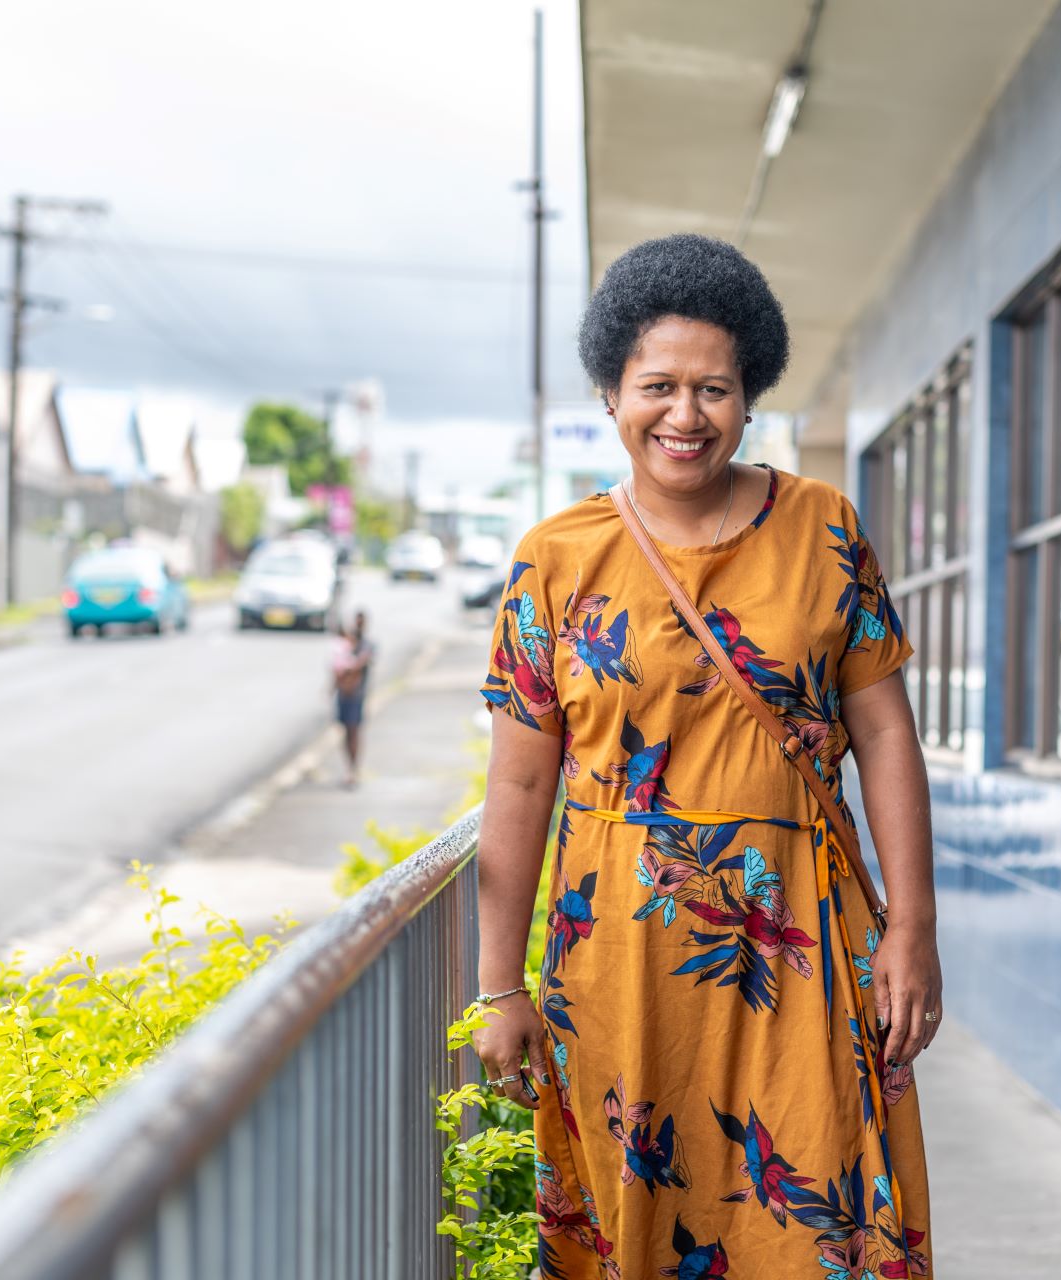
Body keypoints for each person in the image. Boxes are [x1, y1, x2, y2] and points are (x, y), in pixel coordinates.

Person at [475, 233, 940, 1277]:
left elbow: (885, 734)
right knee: (641, 1223)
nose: (685, 415)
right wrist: (498, 981)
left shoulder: (824, 526)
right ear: (611, 392)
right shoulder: (556, 559)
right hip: (619, 961)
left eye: (714, 389)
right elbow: (519, 778)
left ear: (750, 395)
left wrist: (913, 926)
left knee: (815, 1215)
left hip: (803, 940)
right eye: (659, 386)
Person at [332, 609, 373, 788]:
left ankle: (353, 769)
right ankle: (349, 767)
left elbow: (359, 664)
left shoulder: (367, 645)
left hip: (357, 695)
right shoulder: (345, 644)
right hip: (344, 694)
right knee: (345, 732)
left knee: (354, 731)